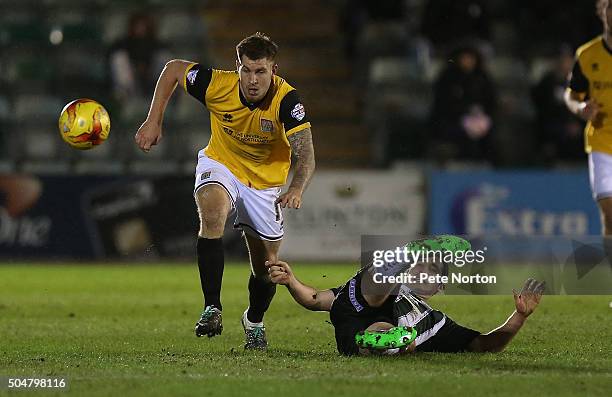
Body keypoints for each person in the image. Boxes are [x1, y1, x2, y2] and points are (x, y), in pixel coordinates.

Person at [134, 33, 316, 349]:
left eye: (261, 71)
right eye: (247, 70)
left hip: (265, 184)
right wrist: (154, 120)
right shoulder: (218, 85)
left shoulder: (288, 102)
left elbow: (307, 155)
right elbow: (174, 69)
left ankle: (254, 321)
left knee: (266, 269)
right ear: (238, 67)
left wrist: (296, 188)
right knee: (213, 213)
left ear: (273, 69)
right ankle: (212, 307)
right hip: (223, 163)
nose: (253, 79)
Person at [268, 237, 545, 356]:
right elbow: (315, 299)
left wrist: (519, 316)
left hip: (365, 336)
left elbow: (484, 344)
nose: (424, 272)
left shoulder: (436, 322)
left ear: (440, 287)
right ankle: (404, 255)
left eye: (432, 270)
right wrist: (291, 281)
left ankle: (380, 342)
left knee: (393, 333)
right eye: (420, 265)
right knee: (378, 290)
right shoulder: (398, 286)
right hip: (357, 303)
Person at [565, 0, 612, 235]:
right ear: (602, 11)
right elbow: (571, 94)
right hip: (602, 141)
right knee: (610, 213)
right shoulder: (587, 54)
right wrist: (580, 108)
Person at [428, 44, 497, 164]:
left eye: (470, 58)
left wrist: (481, 114)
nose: (467, 61)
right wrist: (463, 112)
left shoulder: (482, 77)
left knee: (490, 133)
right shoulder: (447, 77)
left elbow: (490, 100)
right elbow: (442, 103)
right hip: (453, 118)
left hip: (480, 118)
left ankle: (485, 162)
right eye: (464, 58)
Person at [531, 45, 585, 165]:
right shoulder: (545, 84)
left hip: (578, 136)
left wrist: (578, 125)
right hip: (554, 135)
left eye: (567, 60)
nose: (563, 63)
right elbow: (542, 112)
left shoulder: (580, 81)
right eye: (560, 60)